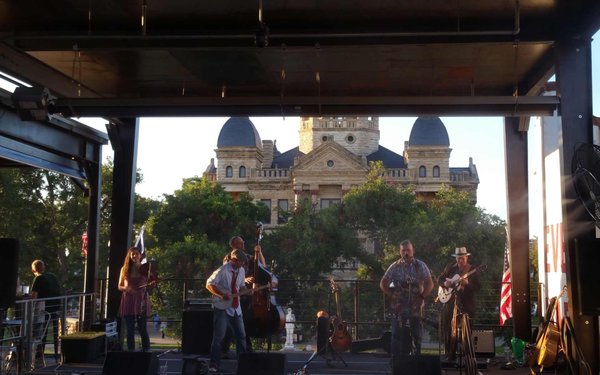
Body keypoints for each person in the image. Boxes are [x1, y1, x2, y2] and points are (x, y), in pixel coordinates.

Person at [379, 240, 434, 357]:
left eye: (408, 250)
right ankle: (396, 362)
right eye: (403, 250)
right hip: (399, 305)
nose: (406, 252)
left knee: (416, 333)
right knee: (397, 334)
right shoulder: (394, 266)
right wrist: (392, 294)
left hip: (416, 304)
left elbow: (430, 284)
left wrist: (422, 296)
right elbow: (383, 283)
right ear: (400, 252)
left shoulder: (421, 266)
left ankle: (416, 360)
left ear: (412, 251)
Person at [206, 249, 251, 373]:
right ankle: (214, 364)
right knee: (218, 337)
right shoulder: (222, 270)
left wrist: (247, 290)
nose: (242, 265)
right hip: (222, 308)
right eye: (241, 262)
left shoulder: (241, 271)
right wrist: (221, 294)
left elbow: (241, 286)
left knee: (241, 337)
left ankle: (243, 363)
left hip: (236, 308)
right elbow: (209, 284)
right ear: (234, 260)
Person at [437, 247, 481, 361]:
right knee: (448, 327)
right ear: (456, 258)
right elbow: (439, 279)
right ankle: (450, 355)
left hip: (466, 304)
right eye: (458, 258)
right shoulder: (450, 267)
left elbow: (478, 287)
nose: (460, 261)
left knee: (466, 330)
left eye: (462, 258)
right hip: (450, 303)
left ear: (466, 257)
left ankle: (467, 357)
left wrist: (467, 284)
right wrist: (445, 284)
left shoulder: (472, 270)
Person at [117, 247, 151, 352]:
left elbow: (151, 284)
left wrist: (151, 284)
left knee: (142, 328)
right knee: (130, 330)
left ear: (140, 255)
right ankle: (131, 351)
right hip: (128, 300)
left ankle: (146, 350)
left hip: (141, 300)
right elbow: (119, 286)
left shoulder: (145, 269)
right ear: (129, 256)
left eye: (136, 254)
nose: (134, 256)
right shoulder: (124, 269)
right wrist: (127, 288)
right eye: (132, 254)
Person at [30, 259, 62, 360]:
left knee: (41, 330)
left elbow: (34, 296)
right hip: (56, 307)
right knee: (54, 331)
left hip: (44, 309)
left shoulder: (38, 278)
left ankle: (39, 353)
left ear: (33, 270)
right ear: (44, 267)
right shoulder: (52, 276)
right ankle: (57, 351)